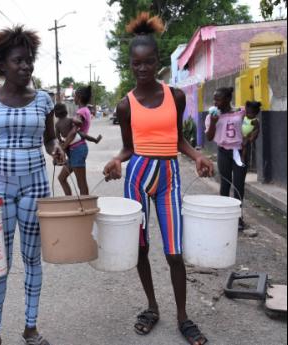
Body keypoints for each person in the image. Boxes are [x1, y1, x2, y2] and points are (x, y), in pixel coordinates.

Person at [103, 12, 213, 345]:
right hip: (136, 175)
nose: (143, 69)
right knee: (140, 247)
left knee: (174, 252)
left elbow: (177, 138)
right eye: (136, 64)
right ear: (130, 64)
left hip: (168, 176)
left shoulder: (175, 97)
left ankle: (183, 316)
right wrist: (114, 160)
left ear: (157, 61)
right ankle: (152, 306)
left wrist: (196, 156)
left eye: (148, 62)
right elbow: (127, 148)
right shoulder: (125, 105)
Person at [0, 25, 65, 345]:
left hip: (35, 188)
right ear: (2, 65)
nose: (25, 67)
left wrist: (57, 149)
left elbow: (50, 140)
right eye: (18, 61)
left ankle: (30, 327)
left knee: (32, 259)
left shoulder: (44, 101)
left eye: (29, 61)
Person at [205, 87, 247, 230]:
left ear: (228, 99)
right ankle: (224, 214)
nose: (215, 102)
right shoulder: (212, 115)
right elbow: (209, 137)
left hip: (239, 152)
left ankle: (238, 217)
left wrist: (249, 140)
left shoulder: (241, 112)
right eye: (214, 99)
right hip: (223, 151)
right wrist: (213, 121)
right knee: (225, 183)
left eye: (219, 99)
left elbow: (251, 126)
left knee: (239, 185)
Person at [57, 85, 96, 196]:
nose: (73, 97)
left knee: (81, 183)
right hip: (75, 150)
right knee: (61, 178)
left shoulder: (81, 112)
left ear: (78, 97)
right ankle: (69, 202)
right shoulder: (84, 110)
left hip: (78, 149)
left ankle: (85, 208)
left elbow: (74, 132)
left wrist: (63, 147)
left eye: (74, 95)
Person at [241, 101, 261, 167]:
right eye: (247, 112)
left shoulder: (254, 121)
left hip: (248, 136)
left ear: (255, 113)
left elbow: (256, 130)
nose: (248, 114)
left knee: (244, 147)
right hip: (241, 135)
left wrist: (251, 137)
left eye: (250, 113)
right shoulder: (245, 117)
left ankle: (243, 159)